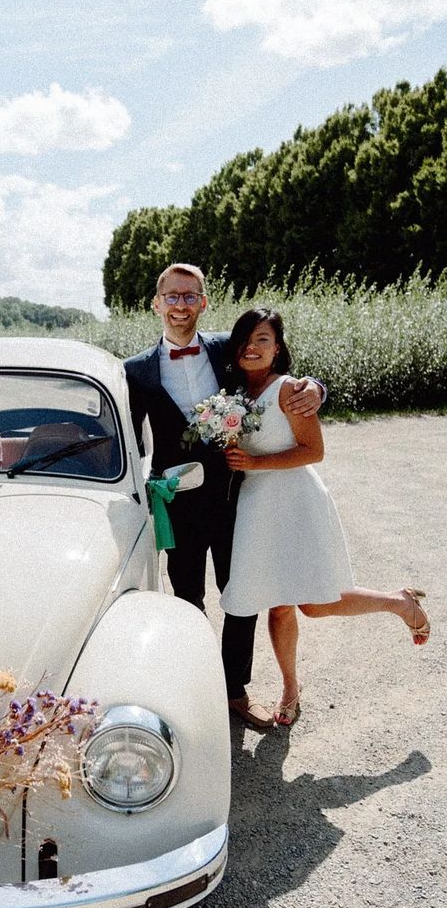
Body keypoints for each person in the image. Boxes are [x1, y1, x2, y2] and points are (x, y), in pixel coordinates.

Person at [124, 264, 325, 728]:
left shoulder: (226, 350)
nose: (180, 305)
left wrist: (316, 388)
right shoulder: (134, 370)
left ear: (203, 302)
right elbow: (133, 441)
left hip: (239, 496)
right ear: (157, 303)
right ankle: (195, 693)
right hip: (178, 502)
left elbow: (274, 374)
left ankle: (235, 691)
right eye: (171, 296)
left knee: (242, 594)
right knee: (187, 599)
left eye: (190, 296)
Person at [220, 308, 430, 725]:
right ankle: (291, 689)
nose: (252, 347)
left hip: (295, 502)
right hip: (257, 507)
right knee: (279, 606)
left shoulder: (290, 390)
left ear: (277, 348)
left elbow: (313, 451)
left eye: (263, 339)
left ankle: (399, 604)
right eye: (246, 339)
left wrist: (255, 464)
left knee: (313, 605)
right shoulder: (234, 393)